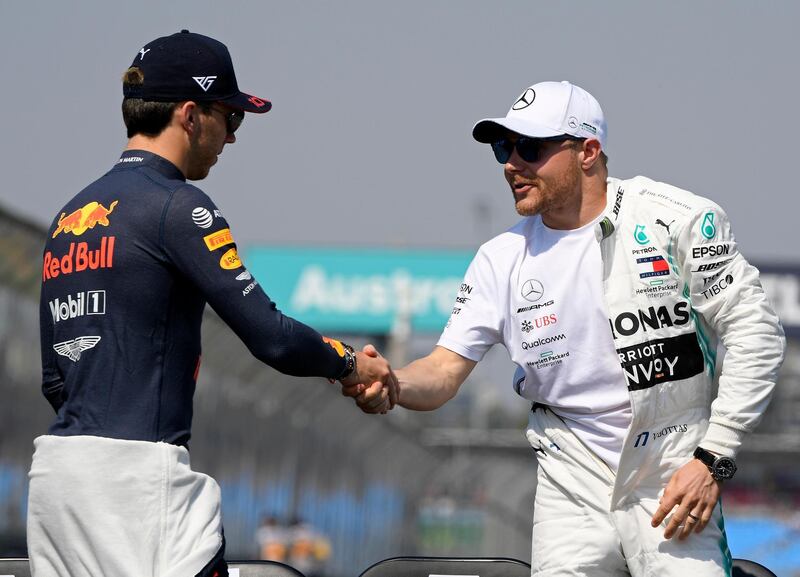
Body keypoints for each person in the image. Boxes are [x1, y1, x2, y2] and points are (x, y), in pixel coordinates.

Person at [345, 80, 785, 576]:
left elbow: (757, 333)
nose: (512, 164)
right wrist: (395, 383)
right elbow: (444, 370)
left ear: (588, 152)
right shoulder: (500, 259)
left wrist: (713, 459)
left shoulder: (677, 220)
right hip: (570, 485)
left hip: (673, 474)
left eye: (529, 148)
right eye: (502, 148)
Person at [30, 30, 397, 577]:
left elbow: (55, 381)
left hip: (55, 484)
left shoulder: (68, 218)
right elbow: (269, 334)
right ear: (189, 114)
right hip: (137, 483)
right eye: (231, 117)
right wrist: (348, 363)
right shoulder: (179, 206)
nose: (232, 137)